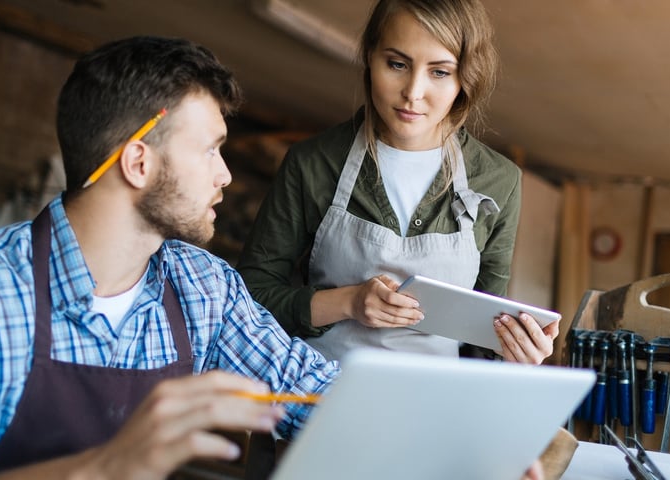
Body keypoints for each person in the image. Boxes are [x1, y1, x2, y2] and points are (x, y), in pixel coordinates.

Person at [0, 36, 340, 479]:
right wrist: (107, 467)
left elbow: (312, 392)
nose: (225, 175)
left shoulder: (203, 286)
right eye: (209, 149)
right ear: (138, 164)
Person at [237, 0, 559, 364]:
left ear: (465, 78)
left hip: (433, 408)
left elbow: (483, 338)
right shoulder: (313, 163)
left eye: (439, 72)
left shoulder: (500, 180)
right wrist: (348, 302)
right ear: (370, 58)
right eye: (397, 64)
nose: (413, 92)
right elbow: (251, 299)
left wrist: (516, 352)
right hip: (320, 395)